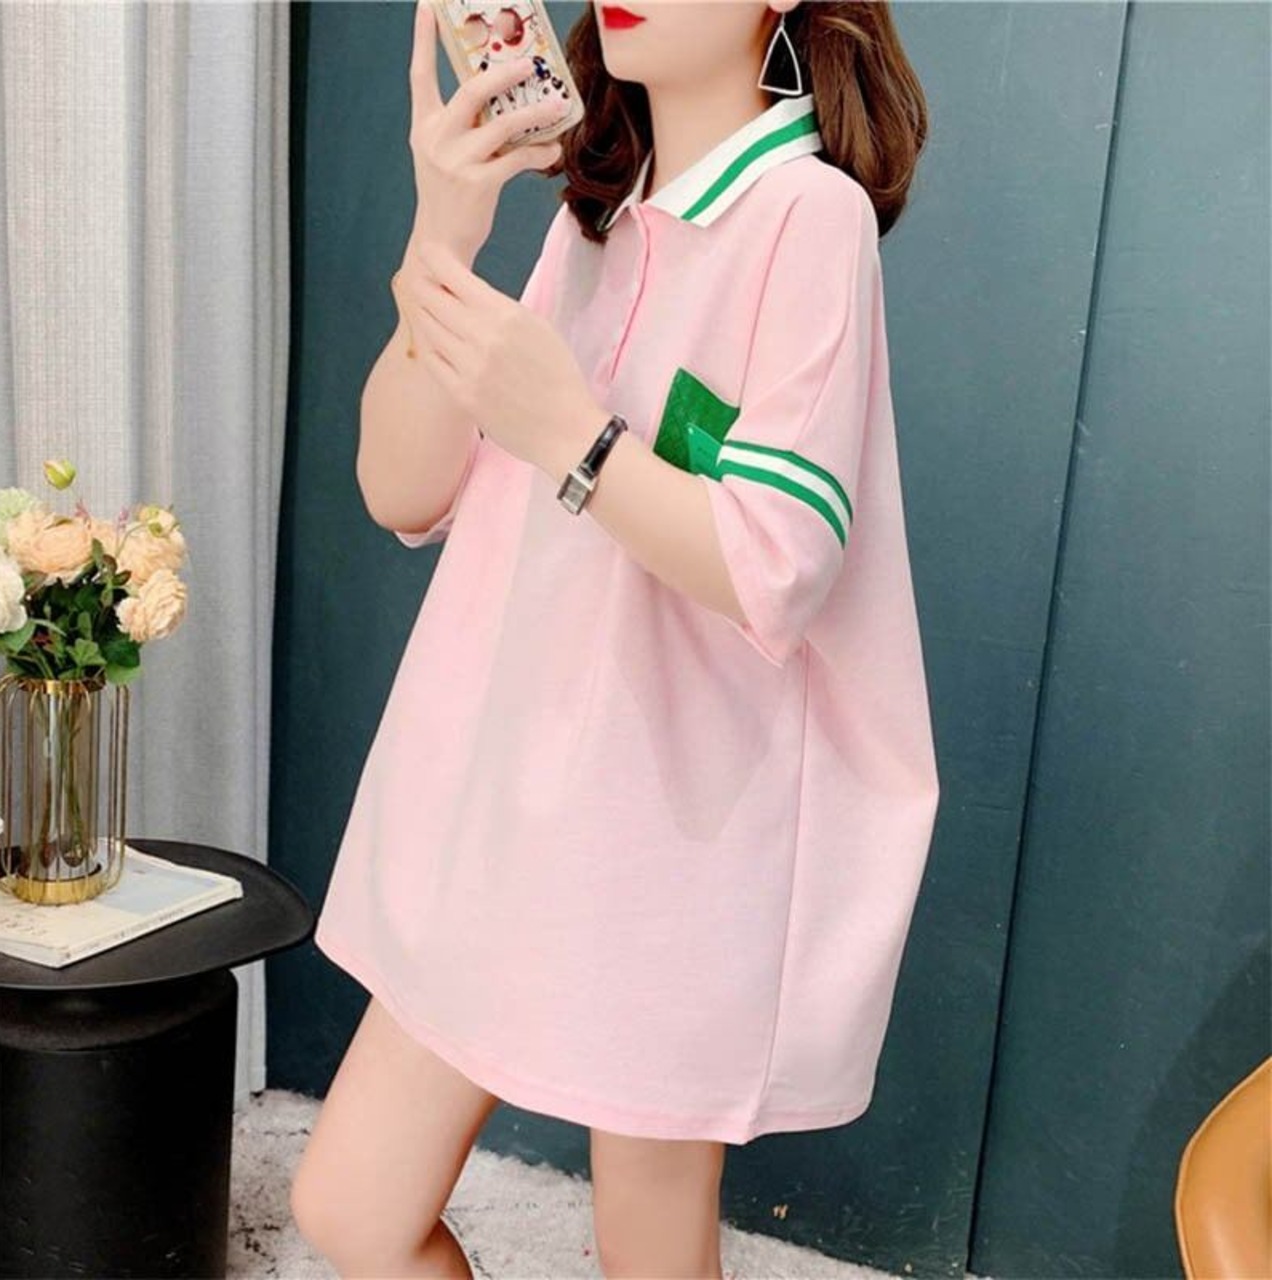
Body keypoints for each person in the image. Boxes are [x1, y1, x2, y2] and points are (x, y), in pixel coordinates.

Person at [292, 2, 939, 1277]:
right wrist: (442, 232)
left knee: (646, 1241)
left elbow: (775, 563)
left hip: (673, 837)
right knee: (350, 1209)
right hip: (503, 800)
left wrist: (571, 436)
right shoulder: (591, 218)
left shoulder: (804, 218)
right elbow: (400, 486)